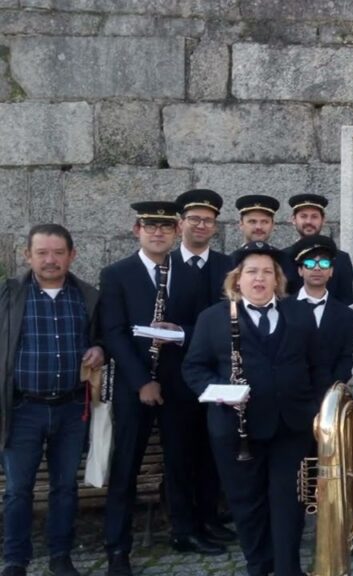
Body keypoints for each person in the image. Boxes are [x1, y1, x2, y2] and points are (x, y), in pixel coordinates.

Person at [182, 242, 330, 576]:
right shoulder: (212, 318)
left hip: (291, 426)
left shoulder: (300, 313)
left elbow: (318, 367)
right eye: (252, 272)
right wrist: (220, 392)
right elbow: (194, 368)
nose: (259, 279)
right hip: (236, 429)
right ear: (237, 279)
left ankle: (288, 569)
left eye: (267, 272)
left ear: (278, 279)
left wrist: (314, 408)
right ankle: (259, 567)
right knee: (247, 505)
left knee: (288, 503)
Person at [101, 202, 224, 576]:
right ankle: (117, 548)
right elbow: (114, 333)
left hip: (178, 386)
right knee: (126, 467)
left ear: (176, 231)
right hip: (135, 386)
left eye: (165, 227)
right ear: (136, 230)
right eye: (150, 226)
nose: (158, 233)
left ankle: (184, 532)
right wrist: (142, 381)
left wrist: (181, 334)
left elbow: (201, 327)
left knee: (181, 461)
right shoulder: (116, 273)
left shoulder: (189, 276)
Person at [0, 225, 103, 576]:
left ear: (72, 255)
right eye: (42, 252)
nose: (50, 260)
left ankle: (61, 555)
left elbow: (101, 339)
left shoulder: (87, 296)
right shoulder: (9, 295)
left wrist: (99, 349)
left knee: (64, 487)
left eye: (58, 252)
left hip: (72, 408)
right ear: (27, 255)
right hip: (22, 409)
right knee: (17, 490)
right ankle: (16, 559)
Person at [171, 189, 237, 543]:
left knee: (214, 452)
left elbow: (232, 321)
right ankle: (184, 528)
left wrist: (183, 332)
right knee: (181, 454)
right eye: (194, 219)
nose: (200, 225)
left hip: (219, 376)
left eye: (207, 220)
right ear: (180, 223)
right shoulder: (164, 266)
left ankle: (210, 519)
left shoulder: (228, 267)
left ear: (215, 226)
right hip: (175, 377)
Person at [292, 234, 353, 383]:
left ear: (331, 271)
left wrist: (331, 392)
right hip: (291, 396)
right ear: (300, 270)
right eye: (309, 263)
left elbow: (345, 360)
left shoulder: (346, 315)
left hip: (330, 394)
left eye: (324, 264)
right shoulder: (282, 310)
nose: (317, 268)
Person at [280, 194, 353, 306]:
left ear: (323, 220)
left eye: (314, 217)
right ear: (294, 220)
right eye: (303, 216)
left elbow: (346, 302)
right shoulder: (282, 257)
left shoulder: (341, 259)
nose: (308, 221)